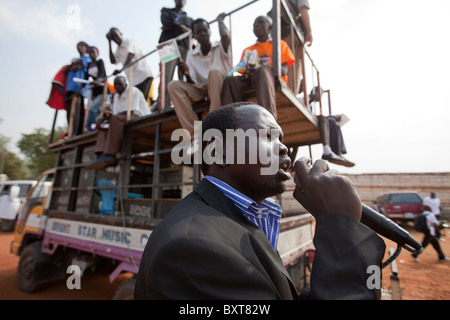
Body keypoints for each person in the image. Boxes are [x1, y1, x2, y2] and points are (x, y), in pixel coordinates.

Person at [134, 102, 386, 300]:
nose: (285, 148)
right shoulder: (193, 247)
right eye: (267, 136)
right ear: (218, 151)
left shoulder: (246, 217)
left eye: (281, 139)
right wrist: (343, 230)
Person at [168, 15, 232, 137]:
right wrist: (186, 75)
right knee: (173, 85)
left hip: (221, 83)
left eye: (204, 30)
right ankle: (195, 134)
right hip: (202, 88)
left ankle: (213, 127)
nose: (202, 33)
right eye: (198, 32)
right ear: (195, 36)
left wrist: (219, 21)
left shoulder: (220, 46)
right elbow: (193, 83)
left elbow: (226, 36)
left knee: (215, 72)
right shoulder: (191, 55)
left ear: (209, 31)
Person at [221, 15, 295, 120]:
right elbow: (242, 72)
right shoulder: (248, 49)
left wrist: (259, 67)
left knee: (261, 70)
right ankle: (228, 120)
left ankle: (268, 118)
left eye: (260, 22)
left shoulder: (279, 45)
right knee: (229, 81)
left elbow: (283, 70)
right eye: (254, 24)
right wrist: (248, 71)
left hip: (269, 77)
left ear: (270, 28)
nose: (256, 25)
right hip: (251, 79)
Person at [86, 76, 150, 170]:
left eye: (120, 84)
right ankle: (101, 154)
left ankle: (110, 154)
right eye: (115, 85)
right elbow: (115, 114)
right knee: (102, 126)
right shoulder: (115, 96)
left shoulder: (133, 91)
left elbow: (131, 111)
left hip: (139, 117)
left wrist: (112, 117)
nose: (117, 87)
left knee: (115, 119)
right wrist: (107, 116)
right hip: (121, 119)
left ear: (126, 84)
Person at [269, 0, 313, 95]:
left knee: (278, 62)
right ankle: (291, 93)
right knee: (293, 66)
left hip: (277, 31)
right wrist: (309, 31)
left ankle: (276, 89)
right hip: (290, 31)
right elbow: (303, 9)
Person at [159, 0, 194, 109]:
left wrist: (172, 25)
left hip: (184, 46)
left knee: (184, 75)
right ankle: (165, 106)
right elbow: (165, 22)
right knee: (166, 76)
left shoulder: (189, 19)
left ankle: (184, 104)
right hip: (167, 46)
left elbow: (192, 32)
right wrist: (181, 27)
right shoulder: (166, 11)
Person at [107, 27, 154, 101]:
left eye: (116, 35)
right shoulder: (118, 50)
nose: (115, 38)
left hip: (143, 76)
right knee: (135, 103)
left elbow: (130, 56)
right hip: (133, 81)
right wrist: (109, 42)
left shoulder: (129, 41)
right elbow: (113, 61)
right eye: (112, 38)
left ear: (121, 34)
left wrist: (121, 70)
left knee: (141, 101)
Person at [65, 41, 92, 136]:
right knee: (69, 113)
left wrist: (74, 64)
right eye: (78, 46)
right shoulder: (76, 60)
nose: (79, 47)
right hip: (70, 89)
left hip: (79, 90)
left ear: (86, 47)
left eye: (81, 46)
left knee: (77, 113)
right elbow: (66, 70)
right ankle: (71, 131)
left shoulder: (87, 59)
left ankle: (77, 133)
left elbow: (82, 69)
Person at [86, 46, 107, 131]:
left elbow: (102, 74)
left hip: (103, 90)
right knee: (97, 111)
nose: (92, 54)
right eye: (90, 53)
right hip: (94, 91)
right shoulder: (89, 65)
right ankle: (97, 128)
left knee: (92, 108)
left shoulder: (100, 62)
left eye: (93, 52)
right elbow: (86, 77)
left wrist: (97, 81)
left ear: (97, 53)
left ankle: (91, 128)